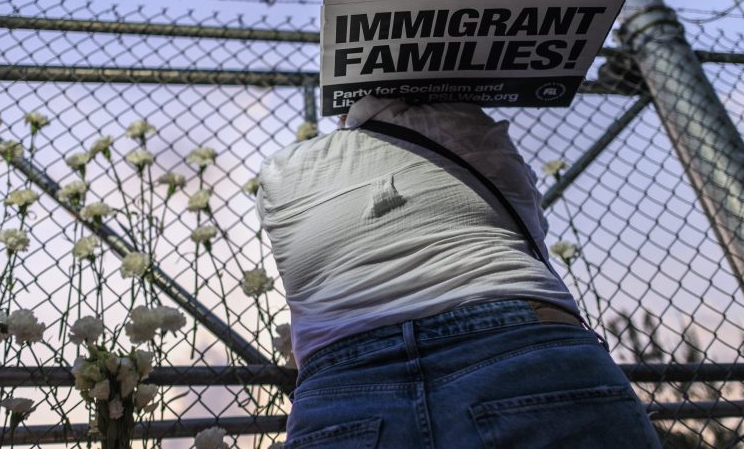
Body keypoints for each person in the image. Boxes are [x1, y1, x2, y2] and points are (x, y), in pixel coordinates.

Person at [256, 96, 661, 448]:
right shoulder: (467, 122)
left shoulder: (282, 169)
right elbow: (530, 224)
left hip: (342, 373)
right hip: (515, 335)